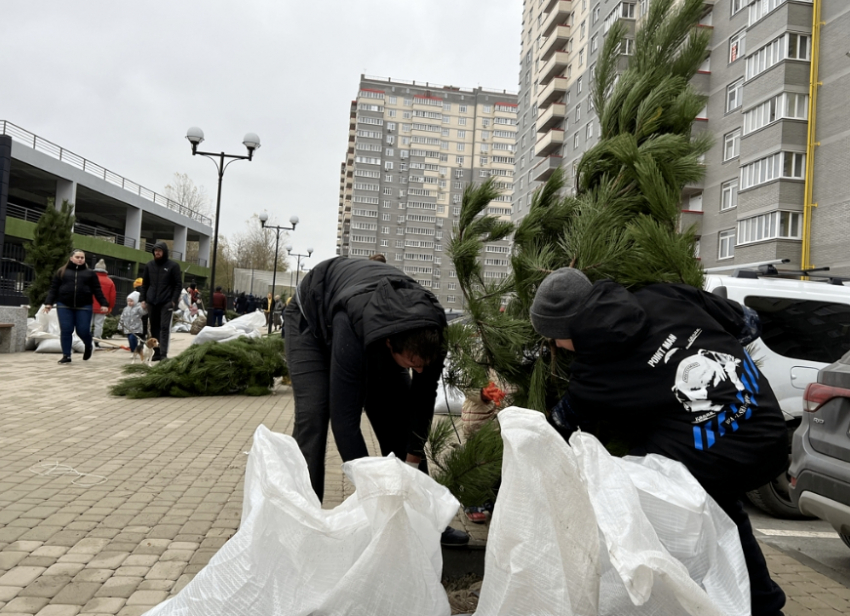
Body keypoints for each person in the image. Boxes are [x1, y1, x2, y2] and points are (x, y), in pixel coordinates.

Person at [530, 267, 788, 616]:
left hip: (725, 457)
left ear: (567, 329)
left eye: (554, 338)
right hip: (770, 427)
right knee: (721, 505)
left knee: (637, 485)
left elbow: (561, 426)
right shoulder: (664, 294)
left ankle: (665, 600)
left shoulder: (592, 377)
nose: (556, 347)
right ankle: (764, 604)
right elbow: (749, 324)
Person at [285, 257, 468, 545]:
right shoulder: (355, 327)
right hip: (312, 317)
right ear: (390, 344)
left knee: (398, 413)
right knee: (315, 415)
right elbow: (344, 422)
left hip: (375, 319)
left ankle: (428, 521)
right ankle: (305, 522)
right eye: (411, 363)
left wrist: (411, 464)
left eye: (423, 365)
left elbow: (421, 402)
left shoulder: (432, 333)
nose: (418, 370)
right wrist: (375, 497)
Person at [43, 249, 110, 364]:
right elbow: (54, 288)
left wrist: (104, 303)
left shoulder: (90, 273)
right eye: (77, 257)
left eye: (82, 258)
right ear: (71, 258)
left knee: (83, 331)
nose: (80, 259)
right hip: (64, 305)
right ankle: (66, 355)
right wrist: (48, 303)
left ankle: (88, 345)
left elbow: (97, 290)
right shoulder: (62, 272)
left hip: (84, 305)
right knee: (66, 330)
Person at [139, 242, 183, 361]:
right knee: (154, 327)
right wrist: (143, 299)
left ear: (164, 252)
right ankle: (156, 352)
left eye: (159, 250)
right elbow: (145, 284)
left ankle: (163, 353)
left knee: (164, 327)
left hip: (166, 302)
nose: (157, 252)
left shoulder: (173, 266)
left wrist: (173, 301)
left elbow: (178, 285)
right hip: (152, 301)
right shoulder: (149, 265)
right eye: (155, 250)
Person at [91, 259, 116, 347]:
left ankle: (85, 339)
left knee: (87, 323)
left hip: (89, 305)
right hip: (102, 306)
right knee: (99, 324)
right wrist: (110, 307)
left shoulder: (90, 278)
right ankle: (96, 341)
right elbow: (112, 296)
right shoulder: (109, 281)